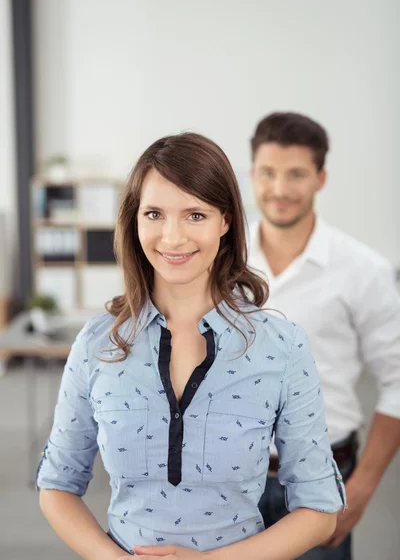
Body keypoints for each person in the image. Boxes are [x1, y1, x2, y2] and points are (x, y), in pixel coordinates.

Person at [37, 132, 345, 560]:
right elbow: (56, 484)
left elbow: (319, 508)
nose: (173, 236)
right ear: (135, 221)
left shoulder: (283, 346)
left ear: (226, 221)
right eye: (155, 213)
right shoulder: (97, 343)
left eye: (195, 215)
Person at [248, 112, 400, 560]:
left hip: (321, 479)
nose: (279, 189)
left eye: (296, 174)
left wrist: (364, 487)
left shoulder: (363, 270)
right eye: (268, 173)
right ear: (252, 174)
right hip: (225, 480)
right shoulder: (220, 259)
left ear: (321, 178)